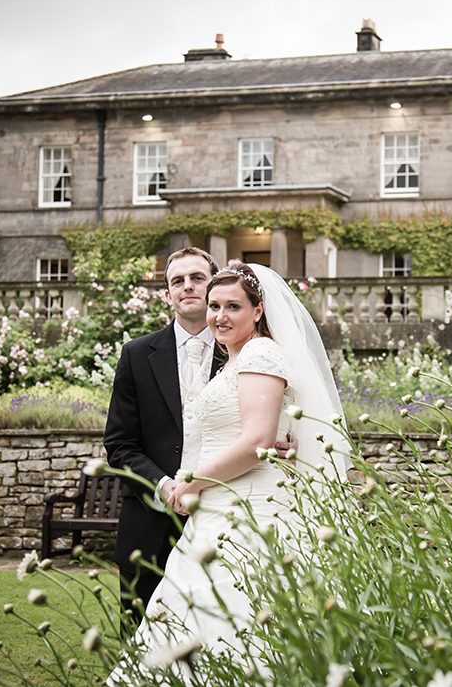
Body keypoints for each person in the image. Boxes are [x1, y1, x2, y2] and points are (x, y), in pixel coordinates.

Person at [108, 263, 350, 684]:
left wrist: (192, 482)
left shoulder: (260, 352)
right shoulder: (232, 357)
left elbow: (256, 440)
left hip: (247, 512)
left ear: (258, 310)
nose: (219, 315)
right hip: (216, 509)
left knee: (240, 617)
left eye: (233, 306)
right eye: (215, 306)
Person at [103, 248, 294, 625]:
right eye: (177, 281)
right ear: (168, 294)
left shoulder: (246, 348)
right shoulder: (136, 355)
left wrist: (289, 435)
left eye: (197, 278)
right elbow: (120, 443)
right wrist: (165, 486)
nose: (187, 287)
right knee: (147, 630)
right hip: (151, 518)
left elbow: (271, 417)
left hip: (235, 510)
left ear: (211, 284)